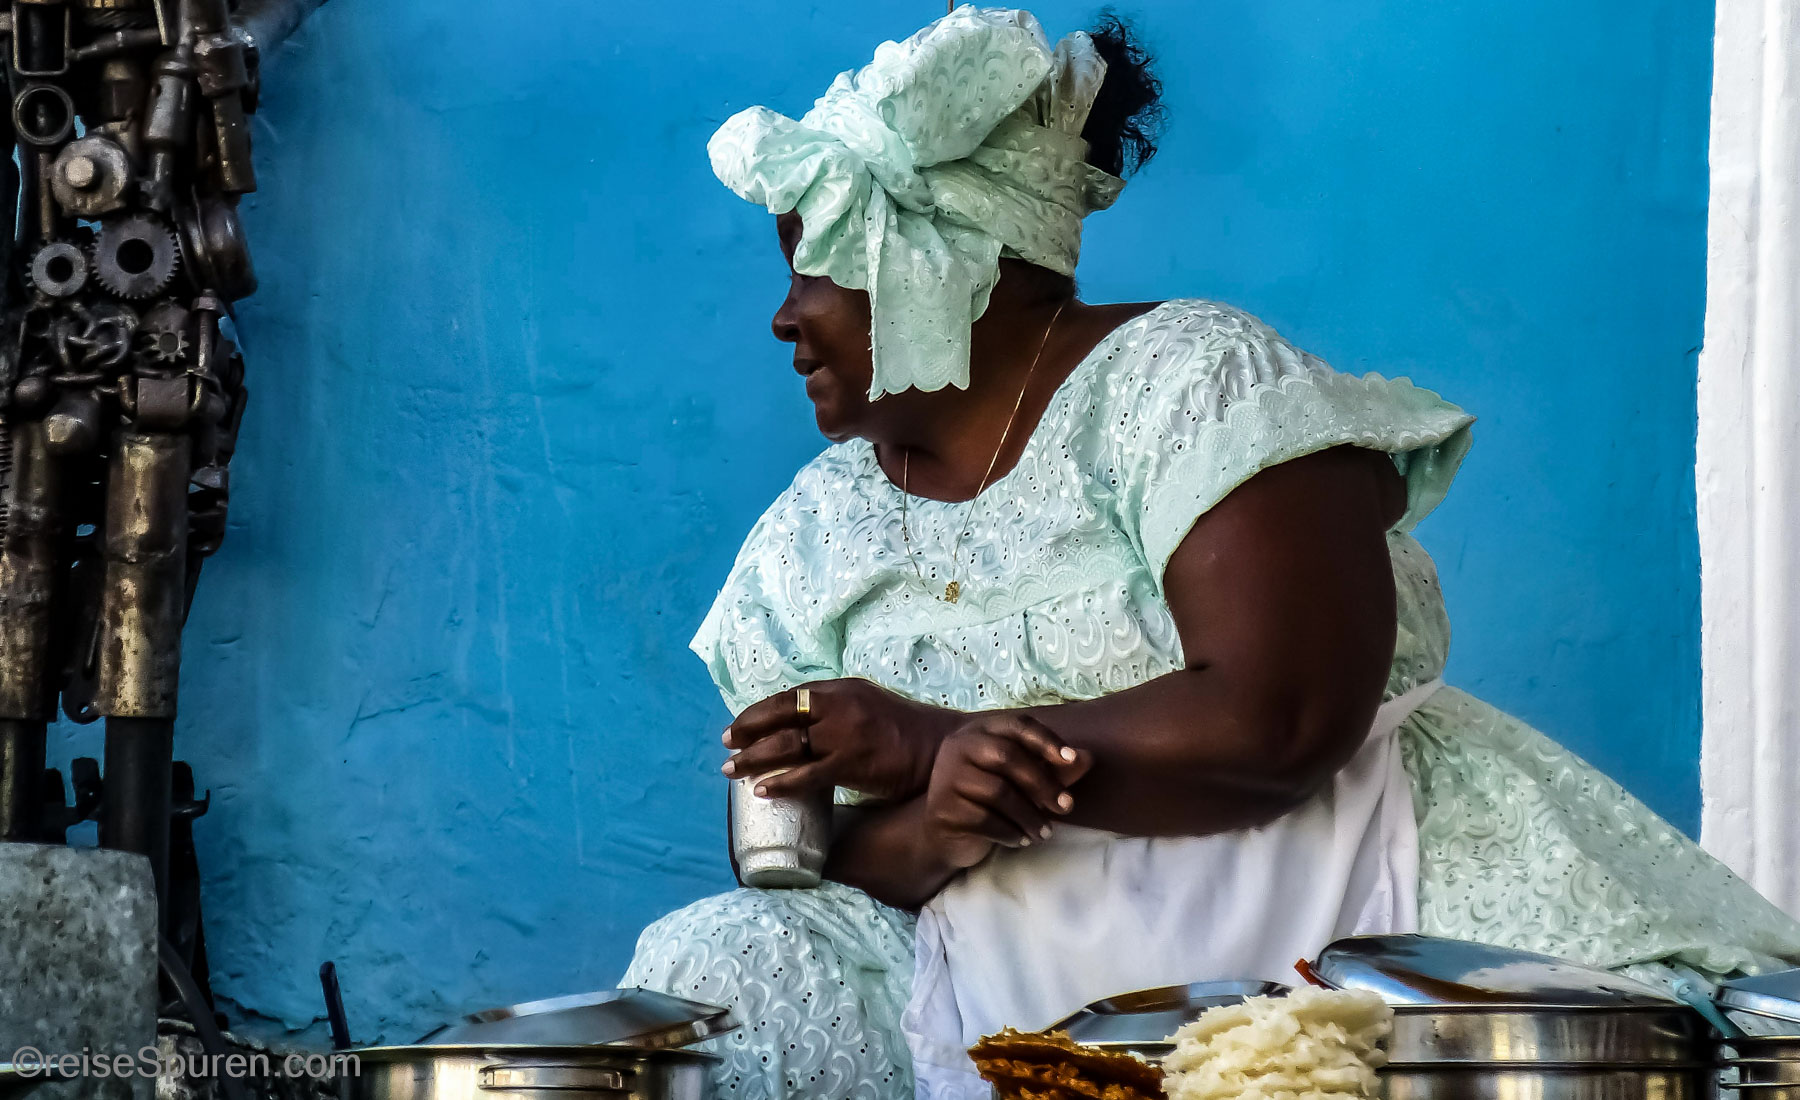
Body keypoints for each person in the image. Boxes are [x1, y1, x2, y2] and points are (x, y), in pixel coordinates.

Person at [622, 8, 1800, 1099]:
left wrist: (934, 736)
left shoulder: (1186, 381)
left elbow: (1280, 717)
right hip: (977, 959)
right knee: (714, 972)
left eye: (810, 263)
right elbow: (821, 857)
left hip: (1325, 894)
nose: (785, 315)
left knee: (1548, 1047)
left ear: (945, 254)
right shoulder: (811, 532)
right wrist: (940, 819)